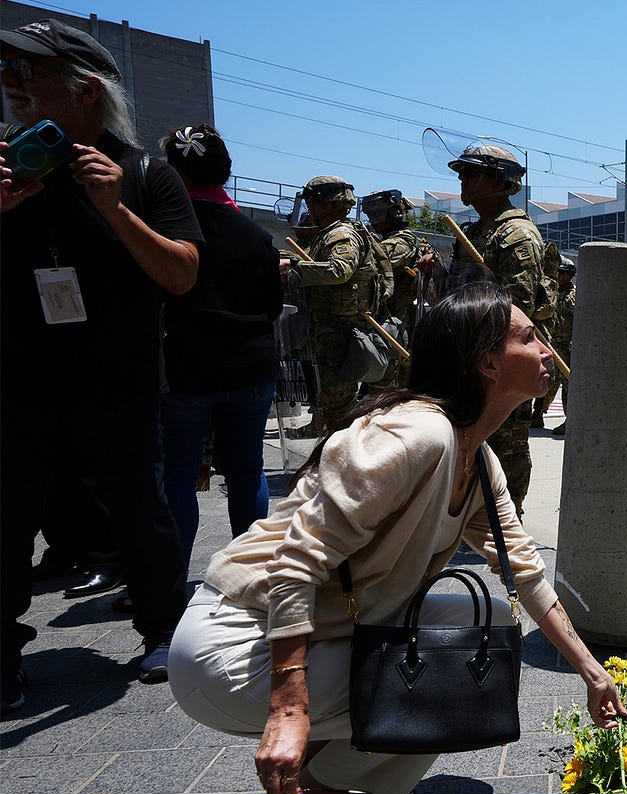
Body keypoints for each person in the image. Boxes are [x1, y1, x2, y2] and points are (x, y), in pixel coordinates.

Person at [168, 282, 627, 794]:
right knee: (443, 679)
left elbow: (524, 572)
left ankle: (325, 785)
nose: (547, 349)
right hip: (233, 645)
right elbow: (295, 563)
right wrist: (290, 708)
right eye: (529, 338)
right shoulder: (419, 435)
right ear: (487, 363)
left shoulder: (478, 460)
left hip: (328, 626)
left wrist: (593, 674)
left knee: (491, 627)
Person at [2, 18, 202, 710]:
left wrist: (116, 210)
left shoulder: (145, 172)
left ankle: (162, 629)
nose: (12, 88)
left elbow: (181, 274)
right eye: (9, 75)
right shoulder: (6, 168)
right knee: (8, 515)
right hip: (22, 381)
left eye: (30, 76)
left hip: (120, 380)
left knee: (139, 508)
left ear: (85, 89)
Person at [157, 124, 283, 566]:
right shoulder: (257, 236)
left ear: (173, 172)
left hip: (188, 368)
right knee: (247, 470)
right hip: (251, 364)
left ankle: (169, 579)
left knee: (177, 471)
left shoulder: (162, 232)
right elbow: (272, 306)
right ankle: (248, 570)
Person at [446, 144, 556, 518]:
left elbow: (518, 306)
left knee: (506, 439)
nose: (462, 180)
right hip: (469, 352)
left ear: (497, 181)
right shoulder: (476, 230)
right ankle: (469, 510)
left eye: (470, 173)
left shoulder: (515, 234)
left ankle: (504, 518)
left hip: (502, 356)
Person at [283, 175, 393, 439]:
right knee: (330, 398)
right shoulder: (330, 232)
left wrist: (295, 268)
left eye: (312, 200)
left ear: (327, 203)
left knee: (337, 402)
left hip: (339, 332)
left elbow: (339, 271)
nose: (309, 207)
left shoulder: (340, 234)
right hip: (328, 329)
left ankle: (341, 455)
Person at [361, 188, 435, 357]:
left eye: (378, 213)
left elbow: (373, 260)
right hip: (387, 319)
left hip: (399, 322)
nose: (373, 220)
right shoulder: (384, 239)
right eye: (370, 214)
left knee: (389, 379)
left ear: (395, 213)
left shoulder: (403, 240)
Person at [531, 256, 576, 436]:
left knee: (567, 383)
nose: (559, 275)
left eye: (562, 273)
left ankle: (570, 420)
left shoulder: (574, 295)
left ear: (570, 275)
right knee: (546, 380)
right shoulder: (552, 293)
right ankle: (537, 414)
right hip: (550, 343)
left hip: (567, 345)